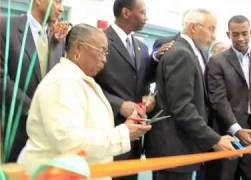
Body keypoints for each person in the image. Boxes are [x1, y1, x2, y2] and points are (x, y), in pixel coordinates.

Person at [17, 24, 151, 175]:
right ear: (78, 48)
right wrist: (122, 134)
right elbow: (68, 142)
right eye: (101, 51)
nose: (105, 59)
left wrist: (127, 128)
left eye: (106, 53)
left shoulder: (80, 81)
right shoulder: (62, 82)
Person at [145, 9, 236, 180]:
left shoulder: (194, 52)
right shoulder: (181, 53)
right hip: (173, 148)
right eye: (211, 28)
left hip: (182, 146)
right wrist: (214, 139)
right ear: (194, 27)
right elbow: (182, 107)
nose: (214, 36)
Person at [205, 15, 251, 180]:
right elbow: (218, 100)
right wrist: (236, 129)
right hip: (226, 132)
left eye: (244, 33)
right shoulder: (217, 61)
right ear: (228, 35)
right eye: (235, 34)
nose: (240, 38)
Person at [94, 0, 155, 179]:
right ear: (126, 13)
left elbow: (144, 83)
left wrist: (148, 98)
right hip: (106, 132)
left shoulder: (142, 48)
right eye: (143, 12)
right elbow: (87, 84)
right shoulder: (99, 40)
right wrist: (119, 104)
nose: (146, 17)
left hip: (134, 137)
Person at [0, 0, 64, 161]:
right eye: (57, 1)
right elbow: (1, 78)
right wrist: (33, 110)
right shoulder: (6, 27)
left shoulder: (58, 37)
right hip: (15, 130)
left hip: (48, 136)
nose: (61, 8)